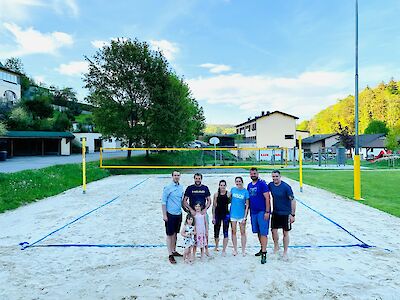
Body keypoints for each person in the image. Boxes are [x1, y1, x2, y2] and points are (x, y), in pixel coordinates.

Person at [268, 170, 296, 260]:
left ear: (280, 176)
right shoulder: (271, 185)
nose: (275, 178)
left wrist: (293, 214)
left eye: (276, 176)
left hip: (286, 213)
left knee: (285, 232)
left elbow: (293, 200)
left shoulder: (286, 187)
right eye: (273, 176)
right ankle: (276, 246)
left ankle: (285, 252)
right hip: (275, 212)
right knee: (273, 230)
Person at [182, 173, 212, 256]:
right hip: (193, 214)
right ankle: (191, 250)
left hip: (202, 213)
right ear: (194, 179)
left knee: (205, 232)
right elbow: (184, 200)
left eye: (199, 178)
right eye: (196, 178)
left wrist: (205, 209)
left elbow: (209, 200)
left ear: (201, 179)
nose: (197, 180)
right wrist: (191, 210)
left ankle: (206, 249)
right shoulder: (190, 188)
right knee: (192, 231)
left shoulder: (205, 188)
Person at [247, 167, 271, 264]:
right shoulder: (249, 185)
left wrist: (267, 211)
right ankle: (262, 248)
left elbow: (267, 198)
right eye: (251, 173)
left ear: (258, 174)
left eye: (254, 173)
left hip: (262, 211)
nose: (253, 175)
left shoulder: (262, 184)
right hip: (253, 212)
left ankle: (264, 252)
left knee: (263, 232)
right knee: (257, 232)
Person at [162, 170, 184, 264]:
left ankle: (174, 250)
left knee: (175, 234)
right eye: (175, 175)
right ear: (172, 176)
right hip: (170, 214)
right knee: (169, 234)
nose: (176, 177)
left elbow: (181, 201)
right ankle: (170, 254)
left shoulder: (181, 187)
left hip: (178, 214)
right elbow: (163, 202)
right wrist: (164, 215)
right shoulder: (167, 188)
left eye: (178, 175)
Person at [230, 176, 250, 257]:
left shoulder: (245, 192)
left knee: (242, 232)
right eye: (237, 181)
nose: (238, 183)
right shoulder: (233, 190)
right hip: (233, 214)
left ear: (242, 182)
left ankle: (243, 250)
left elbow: (247, 205)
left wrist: (245, 217)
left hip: (241, 215)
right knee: (233, 232)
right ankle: (235, 249)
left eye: (239, 181)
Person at [212, 179, 231, 256]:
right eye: (221, 185)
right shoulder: (216, 194)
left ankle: (224, 249)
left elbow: (231, 203)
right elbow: (214, 206)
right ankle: (216, 246)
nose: (222, 186)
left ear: (226, 186)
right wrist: (213, 217)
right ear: (219, 186)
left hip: (226, 214)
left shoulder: (229, 194)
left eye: (224, 185)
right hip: (217, 214)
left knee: (225, 232)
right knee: (216, 231)